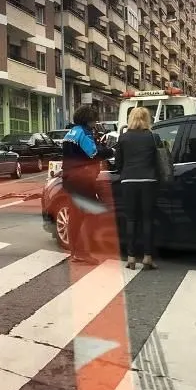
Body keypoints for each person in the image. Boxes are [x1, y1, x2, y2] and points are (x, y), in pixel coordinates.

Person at [61, 104, 112, 264]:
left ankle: (75, 251)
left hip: (70, 179)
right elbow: (93, 153)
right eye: (94, 121)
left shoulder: (70, 133)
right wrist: (111, 151)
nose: (95, 123)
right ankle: (82, 252)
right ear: (88, 120)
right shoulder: (84, 133)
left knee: (75, 216)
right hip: (82, 180)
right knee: (90, 215)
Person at [113, 106, 160, 270]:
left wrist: (125, 171)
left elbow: (118, 163)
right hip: (149, 180)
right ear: (147, 119)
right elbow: (158, 160)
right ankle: (147, 257)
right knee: (147, 219)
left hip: (128, 181)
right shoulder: (153, 137)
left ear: (130, 119)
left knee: (131, 219)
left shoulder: (123, 138)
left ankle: (131, 257)